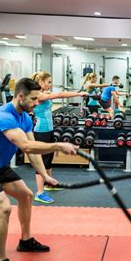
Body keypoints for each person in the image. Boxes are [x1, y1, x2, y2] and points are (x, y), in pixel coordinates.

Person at [0, 78, 78, 261]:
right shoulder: (3, 116)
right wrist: (58, 146)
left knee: (26, 196)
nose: (37, 102)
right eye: (34, 99)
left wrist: (44, 175)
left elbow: (33, 152)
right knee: (4, 208)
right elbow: (25, 146)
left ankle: (25, 241)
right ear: (20, 96)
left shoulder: (25, 117)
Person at [30, 71, 87, 204]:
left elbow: (61, 93)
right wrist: (78, 94)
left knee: (49, 159)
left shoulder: (45, 93)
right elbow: (60, 95)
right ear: (41, 83)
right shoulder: (39, 95)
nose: (50, 84)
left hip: (48, 130)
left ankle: (50, 184)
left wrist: (75, 92)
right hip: (41, 131)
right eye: (48, 82)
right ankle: (39, 192)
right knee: (42, 162)